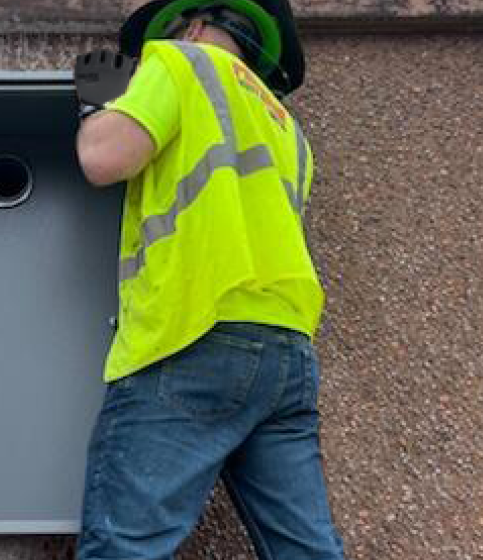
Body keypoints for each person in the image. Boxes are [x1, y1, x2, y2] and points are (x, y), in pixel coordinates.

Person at [72, 1, 347, 558]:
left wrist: (99, 97)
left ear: (195, 24)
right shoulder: (286, 125)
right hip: (287, 350)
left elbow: (102, 158)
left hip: (194, 332)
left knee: (125, 546)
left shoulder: (180, 62)